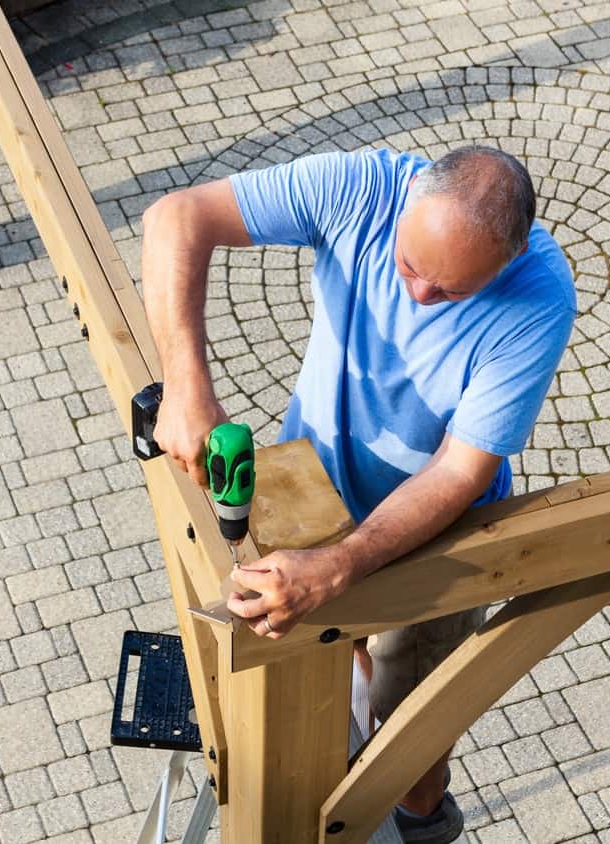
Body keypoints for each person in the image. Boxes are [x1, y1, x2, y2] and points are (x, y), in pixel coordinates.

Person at [141, 145, 577, 843]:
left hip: (440, 536)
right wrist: (188, 385)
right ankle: (361, 684)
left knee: (412, 730)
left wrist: (341, 566)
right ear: (408, 204)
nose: (420, 297)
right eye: (409, 267)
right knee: (343, 654)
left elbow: (458, 473)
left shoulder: (540, 298)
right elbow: (175, 217)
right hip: (313, 491)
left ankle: (425, 821)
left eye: (453, 290)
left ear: (511, 258)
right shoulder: (364, 187)